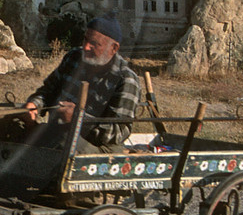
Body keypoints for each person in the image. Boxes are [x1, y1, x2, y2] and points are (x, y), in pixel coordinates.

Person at [9, 16, 143, 154]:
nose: (86, 47)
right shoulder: (74, 58)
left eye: (94, 43)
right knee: (11, 126)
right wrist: (34, 105)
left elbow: (118, 132)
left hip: (98, 148)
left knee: (64, 140)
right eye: (85, 39)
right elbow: (47, 91)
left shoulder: (125, 80)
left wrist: (78, 119)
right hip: (59, 133)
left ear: (113, 48)